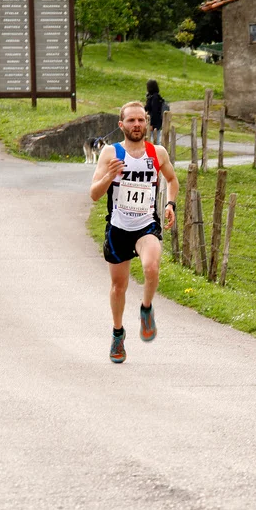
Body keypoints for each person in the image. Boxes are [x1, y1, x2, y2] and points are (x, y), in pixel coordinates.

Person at [90, 101, 179, 364]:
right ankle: (118, 333)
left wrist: (170, 204)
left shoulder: (157, 152)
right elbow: (94, 194)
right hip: (118, 228)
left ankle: (146, 308)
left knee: (151, 267)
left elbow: (172, 179)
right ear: (121, 125)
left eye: (141, 120)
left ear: (147, 123)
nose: (137, 125)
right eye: (131, 120)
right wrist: (110, 176)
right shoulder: (111, 153)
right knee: (119, 287)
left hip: (146, 225)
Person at [144, 79, 164, 144]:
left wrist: (152, 124)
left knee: (156, 139)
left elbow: (154, 112)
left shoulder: (155, 98)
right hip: (155, 121)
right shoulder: (152, 96)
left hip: (154, 122)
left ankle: (158, 150)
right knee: (153, 138)